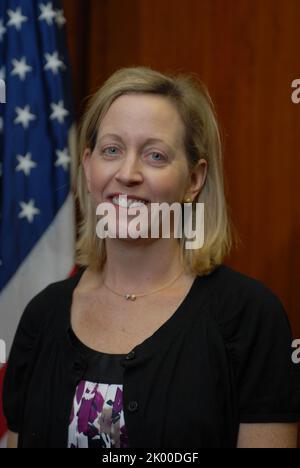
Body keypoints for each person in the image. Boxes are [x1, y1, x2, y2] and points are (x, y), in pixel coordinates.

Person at [3, 66, 300, 448]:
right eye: (112, 150)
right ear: (89, 166)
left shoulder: (250, 317)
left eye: (155, 155)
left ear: (194, 180)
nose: (127, 173)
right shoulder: (43, 315)